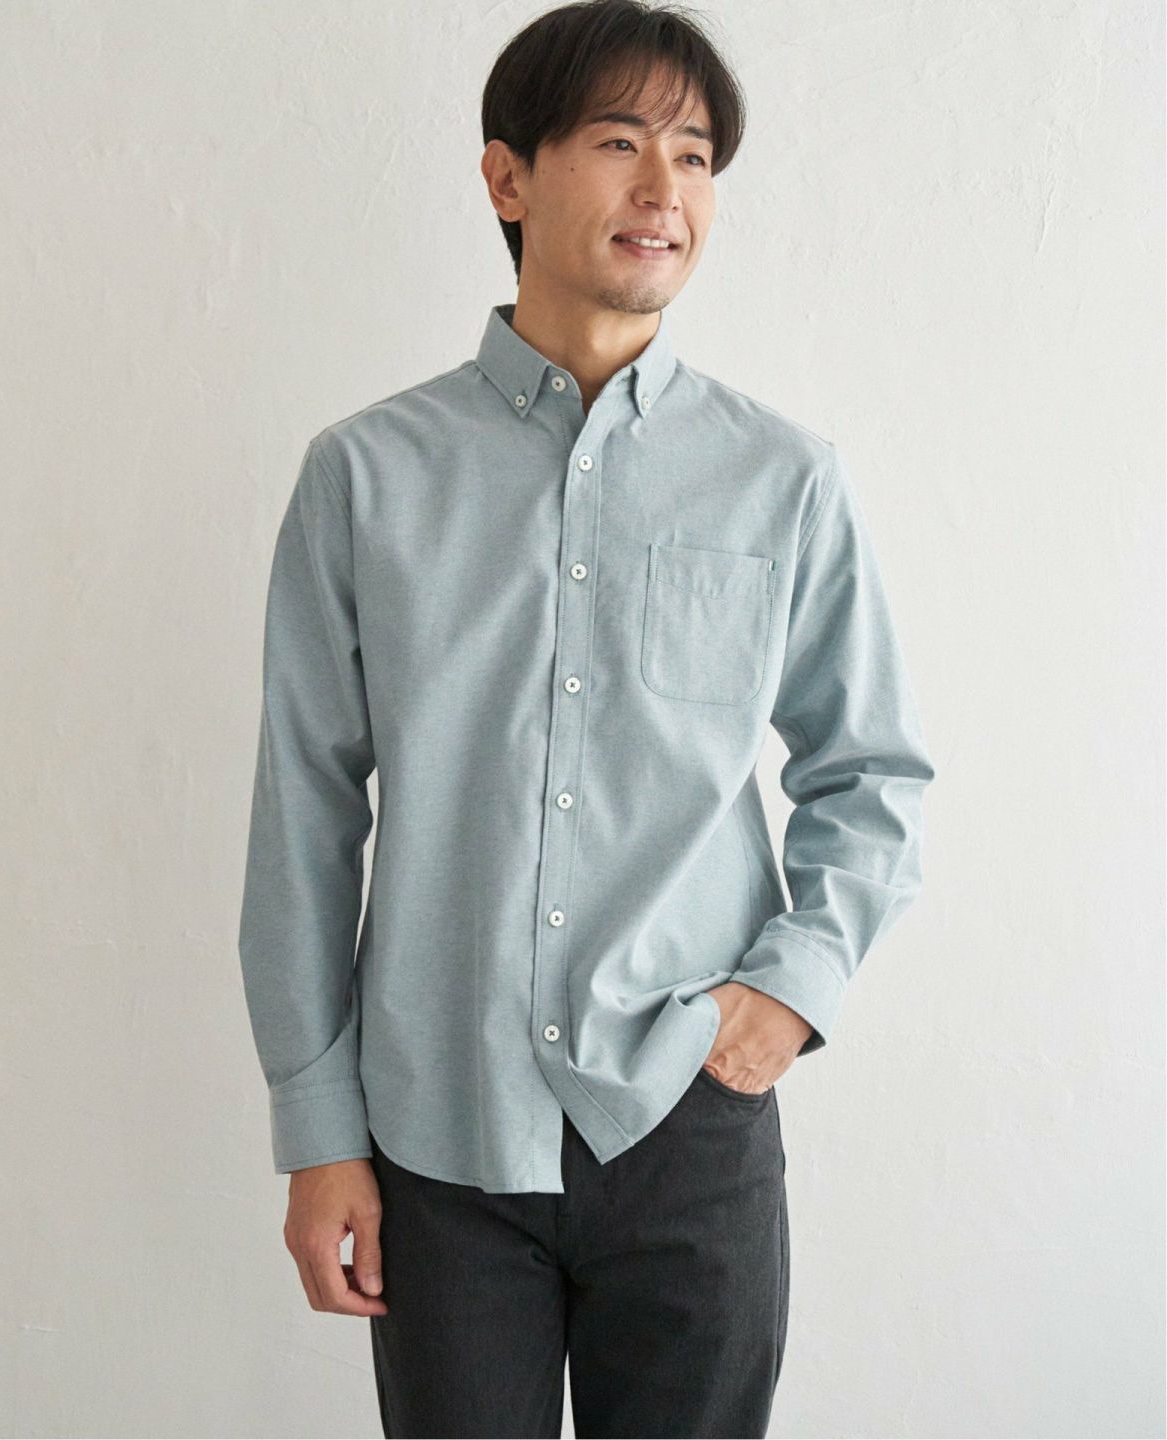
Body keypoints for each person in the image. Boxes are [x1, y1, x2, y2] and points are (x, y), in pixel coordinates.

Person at [237, 1, 935, 1435]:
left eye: (695, 154)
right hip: (437, 1143)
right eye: (620, 143)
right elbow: (303, 814)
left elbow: (872, 771)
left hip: (689, 1128)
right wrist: (317, 1133)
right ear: (509, 177)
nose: (663, 188)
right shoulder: (365, 476)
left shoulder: (784, 479)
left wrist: (792, 989)